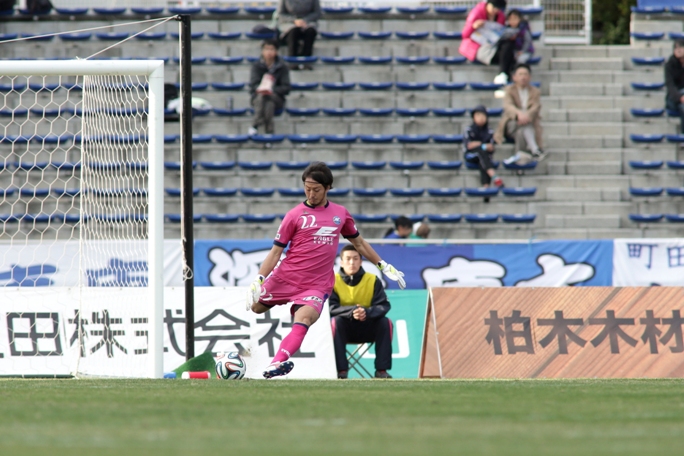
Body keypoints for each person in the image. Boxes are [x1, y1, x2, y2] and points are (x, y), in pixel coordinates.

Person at [246, 162, 406, 379]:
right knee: (256, 307)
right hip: (287, 276)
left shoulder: (340, 214)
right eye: (307, 189)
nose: (311, 194)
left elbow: (359, 243)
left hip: (316, 284)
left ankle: (276, 363)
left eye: (316, 189)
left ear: (328, 187)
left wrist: (382, 265)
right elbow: (276, 252)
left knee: (304, 319)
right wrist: (259, 279)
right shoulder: (294, 215)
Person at [329, 245, 393, 379]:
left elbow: (383, 305)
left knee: (385, 323)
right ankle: (341, 370)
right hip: (344, 330)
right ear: (341, 262)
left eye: (355, 258)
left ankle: (381, 370)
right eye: (348, 259)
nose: (352, 262)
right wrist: (352, 312)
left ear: (361, 261)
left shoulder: (373, 280)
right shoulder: (332, 281)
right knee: (335, 322)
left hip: (368, 327)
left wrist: (366, 312)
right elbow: (330, 307)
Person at [494, 63, 545, 161]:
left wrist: (527, 115)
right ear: (514, 77)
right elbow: (508, 106)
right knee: (521, 124)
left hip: (529, 121)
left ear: (529, 77)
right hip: (512, 122)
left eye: (525, 74)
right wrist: (519, 114)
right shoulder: (509, 90)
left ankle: (521, 158)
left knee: (521, 132)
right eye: (520, 74)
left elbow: (536, 106)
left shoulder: (535, 91)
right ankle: (535, 149)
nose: (523, 77)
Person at [459, 0, 515, 85]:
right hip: (480, 46)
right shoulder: (476, 13)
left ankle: (503, 74)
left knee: (509, 47)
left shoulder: (500, 16)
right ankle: (504, 74)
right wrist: (473, 26)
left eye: (498, 9)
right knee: (509, 57)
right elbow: (465, 35)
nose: (495, 11)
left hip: (494, 45)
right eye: (494, 7)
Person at [248, 39, 291, 137]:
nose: (269, 52)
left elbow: (286, 87)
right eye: (267, 49)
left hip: (277, 97)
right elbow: (253, 86)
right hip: (258, 97)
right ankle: (269, 132)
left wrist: (271, 90)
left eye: (272, 49)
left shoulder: (282, 66)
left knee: (267, 97)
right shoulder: (256, 66)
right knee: (267, 102)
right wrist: (262, 89)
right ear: (262, 51)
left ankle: (255, 124)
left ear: (276, 51)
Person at [464, 105, 504, 188]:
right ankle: (494, 176)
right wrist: (483, 145)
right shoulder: (469, 130)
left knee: (483, 158)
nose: (481, 118)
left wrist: (480, 145)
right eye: (478, 115)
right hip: (471, 155)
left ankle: (486, 187)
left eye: (483, 115)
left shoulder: (489, 131)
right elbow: (469, 146)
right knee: (481, 153)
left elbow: (491, 147)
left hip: (485, 156)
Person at [276, 0, 321, 70]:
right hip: (289, 23)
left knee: (310, 31)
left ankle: (307, 61)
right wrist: (294, 20)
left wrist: (305, 20)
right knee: (293, 31)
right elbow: (281, 14)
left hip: (308, 22)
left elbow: (317, 13)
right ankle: (292, 61)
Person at [665, 39, 684, 134]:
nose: (678, 50)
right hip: (674, 98)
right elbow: (670, 86)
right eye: (676, 48)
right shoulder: (669, 65)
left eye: (681, 47)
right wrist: (680, 98)